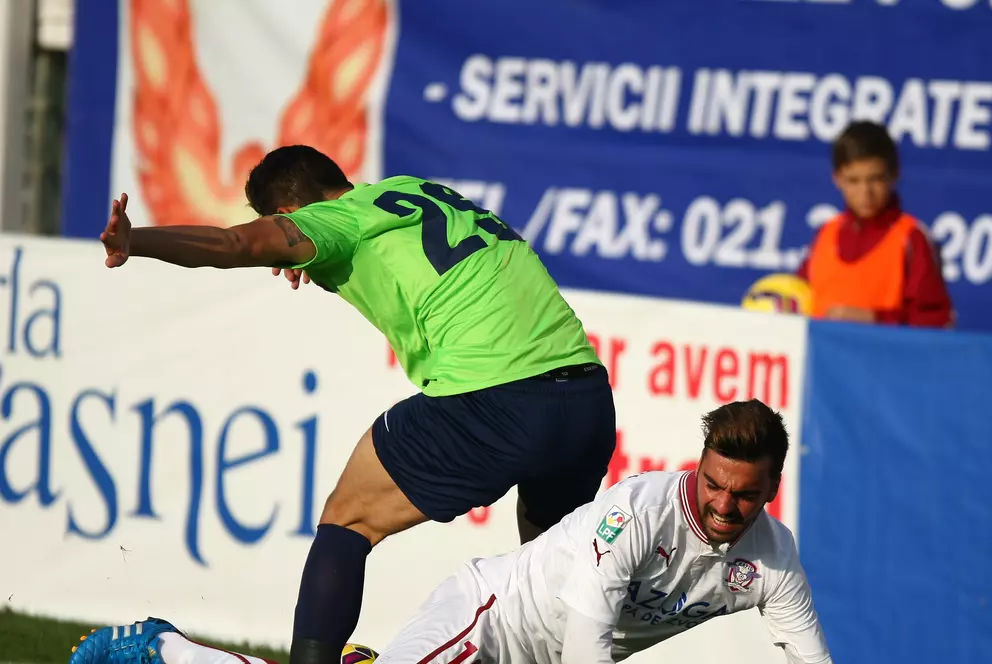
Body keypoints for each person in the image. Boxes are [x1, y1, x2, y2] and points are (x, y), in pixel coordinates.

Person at [97, 145, 617, 664]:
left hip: (494, 395)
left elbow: (236, 243)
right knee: (549, 567)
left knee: (347, 520)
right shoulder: (411, 191)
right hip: (587, 399)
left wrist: (135, 241)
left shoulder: (335, 221)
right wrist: (306, 249)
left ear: (285, 214)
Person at [70, 400, 833, 664]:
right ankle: (164, 649)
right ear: (696, 467)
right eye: (713, 485)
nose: (724, 506)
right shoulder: (638, 509)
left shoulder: (774, 561)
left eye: (744, 495)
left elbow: (809, 655)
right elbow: (587, 634)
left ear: (771, 490)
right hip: (488, 623)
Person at [797, 120, 955, 328]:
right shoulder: (826, 233)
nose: (865, 192)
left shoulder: (910, 238)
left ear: (894, 174)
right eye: (854, 181)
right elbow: (797, 299)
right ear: (837, 179)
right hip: (822, 358)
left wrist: (874, 319)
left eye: (876, 179)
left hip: (883, 359)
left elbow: (937, 320)